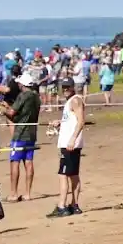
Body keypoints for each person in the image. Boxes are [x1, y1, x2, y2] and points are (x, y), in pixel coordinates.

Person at [47, 78, 85, 218]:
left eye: (67, 87)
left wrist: (73, 139)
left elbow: (81, 121)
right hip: (69, 143)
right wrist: (60, 122)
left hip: (70, 145)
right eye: (63, 87)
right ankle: (74, 205)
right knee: (73, 175)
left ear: (73, 87)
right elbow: (72, 120)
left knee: (63, 175)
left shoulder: (75, 100)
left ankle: (61, 206)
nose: (65, 90)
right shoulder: (70, 101)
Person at [1, 74, 41, 202]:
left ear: (22, 85)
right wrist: (8, 108)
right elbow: (22, 113)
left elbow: (12, 113)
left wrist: (0, 109)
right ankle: (28, 193)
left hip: (20, 133)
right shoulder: (36, 96)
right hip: (32, 133)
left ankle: (13, 193)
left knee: (15, 162)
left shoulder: (23, 95)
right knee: (28, 162)